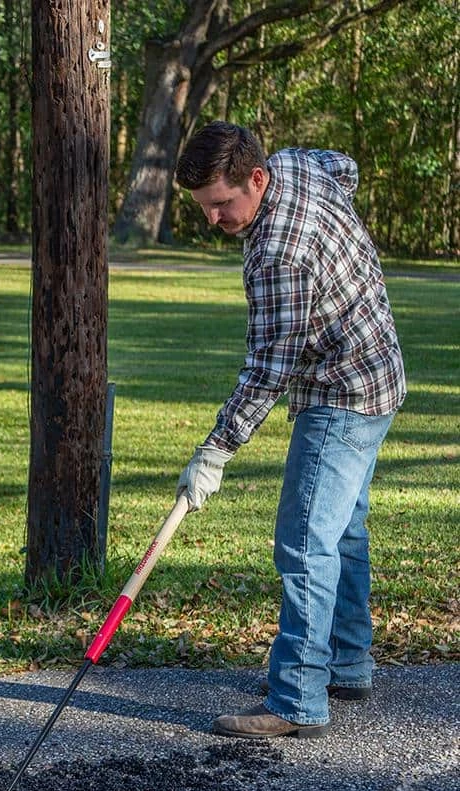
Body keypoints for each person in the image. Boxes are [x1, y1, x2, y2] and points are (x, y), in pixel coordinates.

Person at [173, 121, 406, 739]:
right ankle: (347, 664)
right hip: (381, 375)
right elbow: (345, 164)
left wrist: (216, 450)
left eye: (222, 204)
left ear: (255, 178)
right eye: (204, 207)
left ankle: (298, 698)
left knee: (305, 544)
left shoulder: (279, 251)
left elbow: (270, 368)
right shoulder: (295, 165)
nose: (214, 219)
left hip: (342, 391)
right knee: (344, 530)